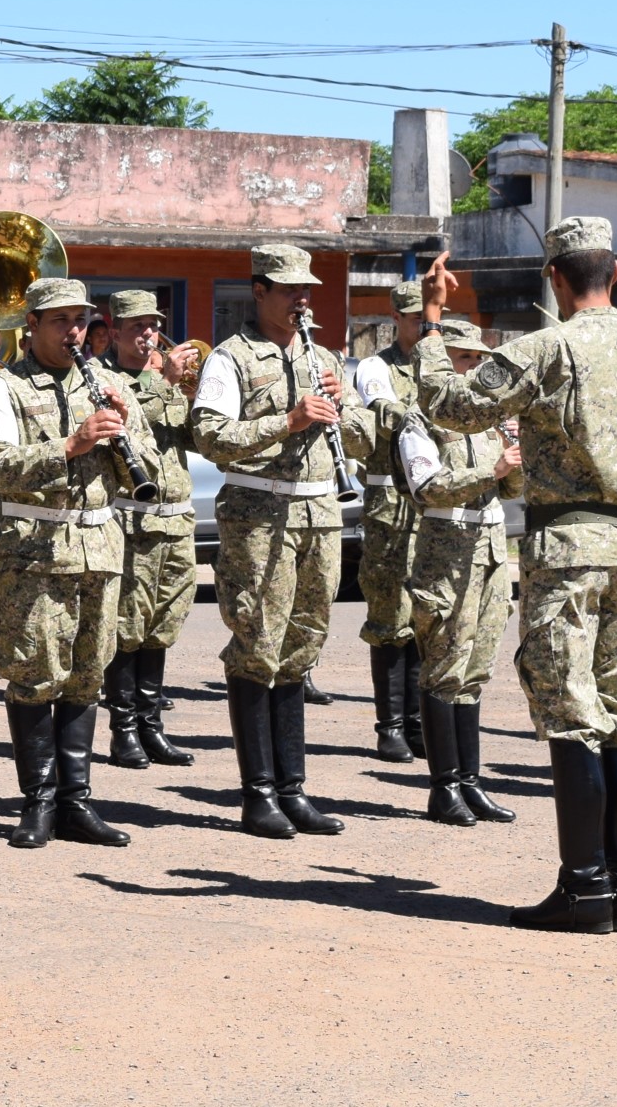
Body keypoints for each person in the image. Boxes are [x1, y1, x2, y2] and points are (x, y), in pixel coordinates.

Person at [412, 224, 617, 934]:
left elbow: (451, 406)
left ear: (555, 277)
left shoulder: (546, 349)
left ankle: (584, 890)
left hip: (569, 549)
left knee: (572, 710)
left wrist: (431, 324)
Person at [0, 277, 146, 849]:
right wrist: (69, 446)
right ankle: (38, 802)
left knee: (86, 675)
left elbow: (146, 474)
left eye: (80, 320)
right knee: (33, 674)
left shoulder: (109, 384)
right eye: (60, 321)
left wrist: (126, 427)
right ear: (32, 326)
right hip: (35, 555)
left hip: (99, 549)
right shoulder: (6, 387)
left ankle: (76, 803)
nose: (74, 331)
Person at [188, 244, 354, 838]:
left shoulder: (323, 357)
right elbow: (209, 436)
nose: (302, 300)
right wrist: (288, 421)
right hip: (258, 515)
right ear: (259, 291)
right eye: (289, 290)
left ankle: (293, 790)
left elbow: (360, 434)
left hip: (319, 513)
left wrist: (342, 407)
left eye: (307, 290)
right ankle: (258, 793)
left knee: (301, 647)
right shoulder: (230, 358)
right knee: (258, 645)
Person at [404, 323, 522, 826]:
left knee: (475, 672)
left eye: (478, 359)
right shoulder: (420, 416)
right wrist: (492, 470)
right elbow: (427, 485)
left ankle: (471, 783)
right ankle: (444, 788)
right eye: (463, 358)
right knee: (444, 669)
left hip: (490, 550)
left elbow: (512, 490)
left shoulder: (489, 417)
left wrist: (517, 456)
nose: (473, 367)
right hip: (446, 551)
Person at [99, 289, 197, 769]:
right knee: (127, 628)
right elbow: (134, 425)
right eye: (137, 326)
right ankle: (124, 731)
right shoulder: (103, 378)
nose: (148, 334)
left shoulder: (166, 382)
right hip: (131, 522)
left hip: (176, 519)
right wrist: (168, 383)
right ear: (114, 331)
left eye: (153, 325)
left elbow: (196, 439)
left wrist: (194, 394)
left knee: (161, 627)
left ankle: (151, 725)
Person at [341, 280, 428, 762]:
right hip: (391, 504)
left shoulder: (441, 365)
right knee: (390, 615)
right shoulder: (378, 366)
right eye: (416, 319)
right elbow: (383, 411)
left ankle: (417, 722)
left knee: (425, 616)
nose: (425, 327)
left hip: (432, 503)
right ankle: (390, 725)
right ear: (397, 318)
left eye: (430, 319)